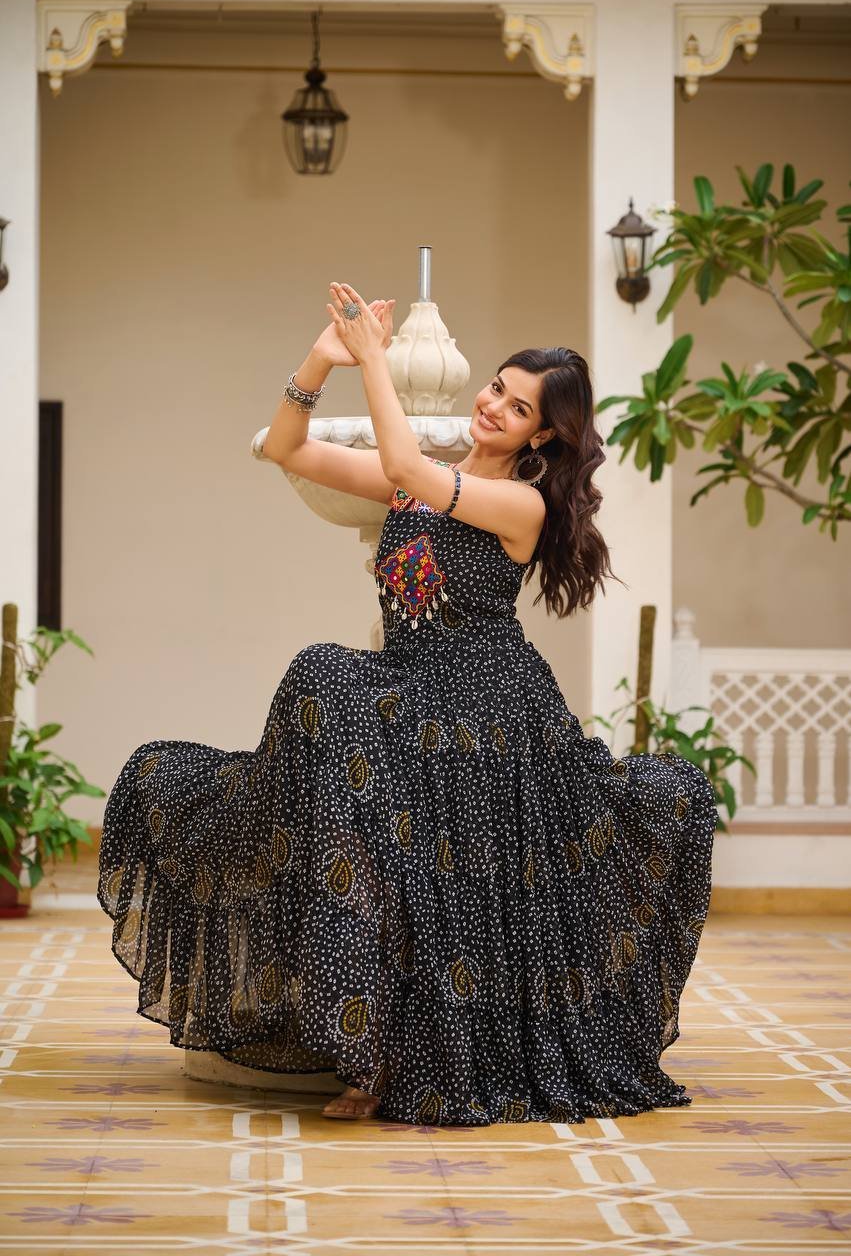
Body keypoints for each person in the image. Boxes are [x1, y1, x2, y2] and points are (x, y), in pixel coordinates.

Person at [97, 281, 716, 1125]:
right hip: (411, 694)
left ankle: (379, 1061)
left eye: (518, 406)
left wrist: (376, 363)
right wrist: (324, 358)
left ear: (542, 434)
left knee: (327, 674)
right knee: (324, 695)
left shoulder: (520, 504)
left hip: (487, 710)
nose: (492, 405)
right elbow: (286, 447)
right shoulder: (419, 485)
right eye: (494, 387)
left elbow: (404, 467)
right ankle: (361, 1048)